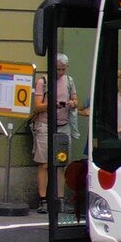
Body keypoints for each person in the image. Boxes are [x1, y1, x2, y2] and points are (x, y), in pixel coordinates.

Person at [30, 53, 78, 213]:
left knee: (60, 165)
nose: (60, 73)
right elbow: (37, 106)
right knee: (44, 164)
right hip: (45, 125)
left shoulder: (69, 81)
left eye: (63, 69)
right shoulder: (42, 82)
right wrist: (51, 104)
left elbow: (76, 100)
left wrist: (72, 103)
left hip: (63, 125)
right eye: (57, 69)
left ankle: (60, 199)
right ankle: (43, 200)